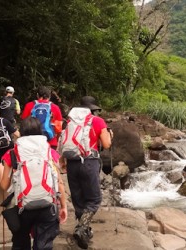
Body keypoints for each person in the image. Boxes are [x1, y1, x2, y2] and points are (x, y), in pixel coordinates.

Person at [0, 117, 68, 249]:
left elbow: (4, 186)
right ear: (40, 132)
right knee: (44, 244)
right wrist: (63, 206)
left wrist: (1, 172)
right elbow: (59, 182)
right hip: (47, 205)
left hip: (22, 207)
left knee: (20, 242)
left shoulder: (12, 153)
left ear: (21, 132)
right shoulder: (49, 152)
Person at [63, 95, 112, 249]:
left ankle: (84, 230)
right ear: (93, 109)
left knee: (78, 199)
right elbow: (106, 144)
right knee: (94, 200)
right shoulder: (97, 121)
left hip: (72, 163)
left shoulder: (70, 121)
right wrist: (110, 135)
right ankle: (81, 228)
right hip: (89, 162)